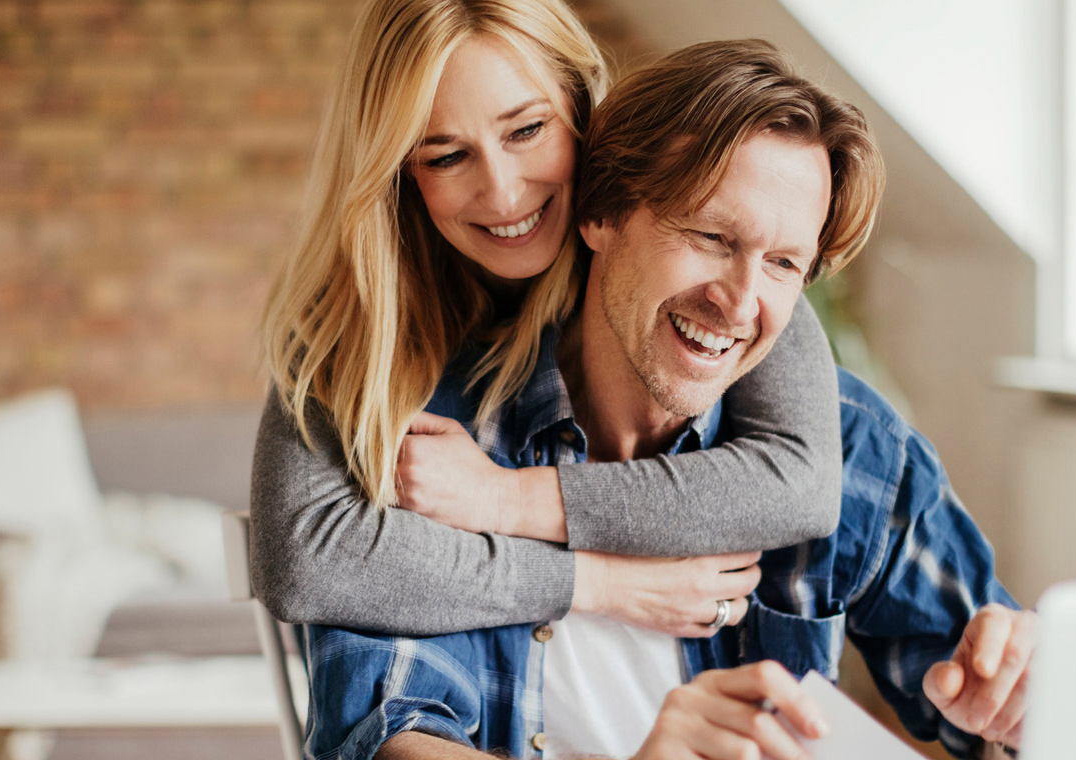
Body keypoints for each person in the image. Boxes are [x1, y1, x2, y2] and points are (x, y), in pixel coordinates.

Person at [302, 39, 1036, 760]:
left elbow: (991, 692)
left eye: (783, 263)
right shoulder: (443, 452)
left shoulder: (854, 451)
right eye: (712, 236)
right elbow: (394, 740)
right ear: (602, 215)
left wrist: (1016, 706)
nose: (741, 303)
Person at [252, 0, 848, 646]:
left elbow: (801, 485)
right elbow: (304, 561)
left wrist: (507, 500)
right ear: (397, 170)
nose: (505, 194)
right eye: (447, 156)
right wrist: (599, 584)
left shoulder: (674, 234)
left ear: (576, 106)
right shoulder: (355, 314)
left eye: (527, 130)